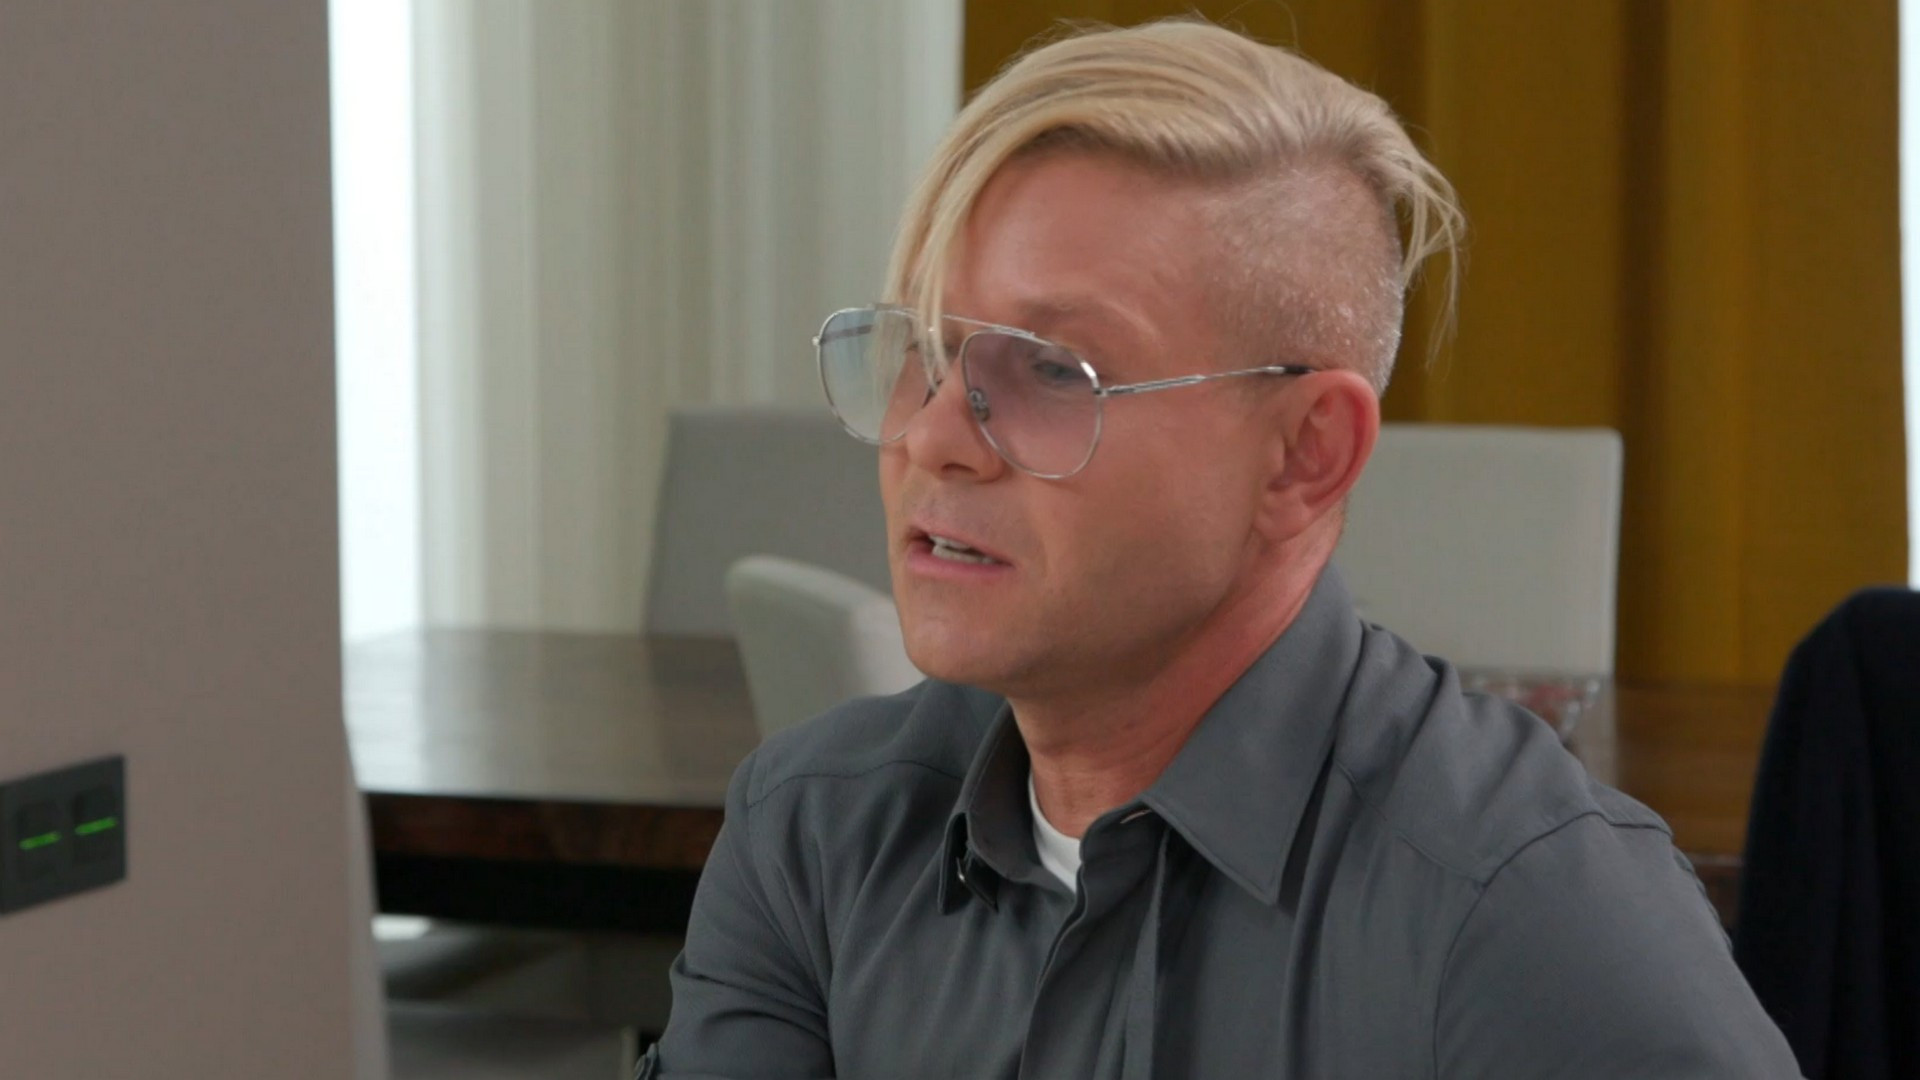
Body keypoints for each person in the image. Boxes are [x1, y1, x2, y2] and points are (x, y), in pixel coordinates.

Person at [642, 18, 1801, 1079]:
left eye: (1050, 371)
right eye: (925, 354)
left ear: (1305, 455)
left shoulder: (1532, 918)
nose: (934, 438)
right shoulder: (813, 832)